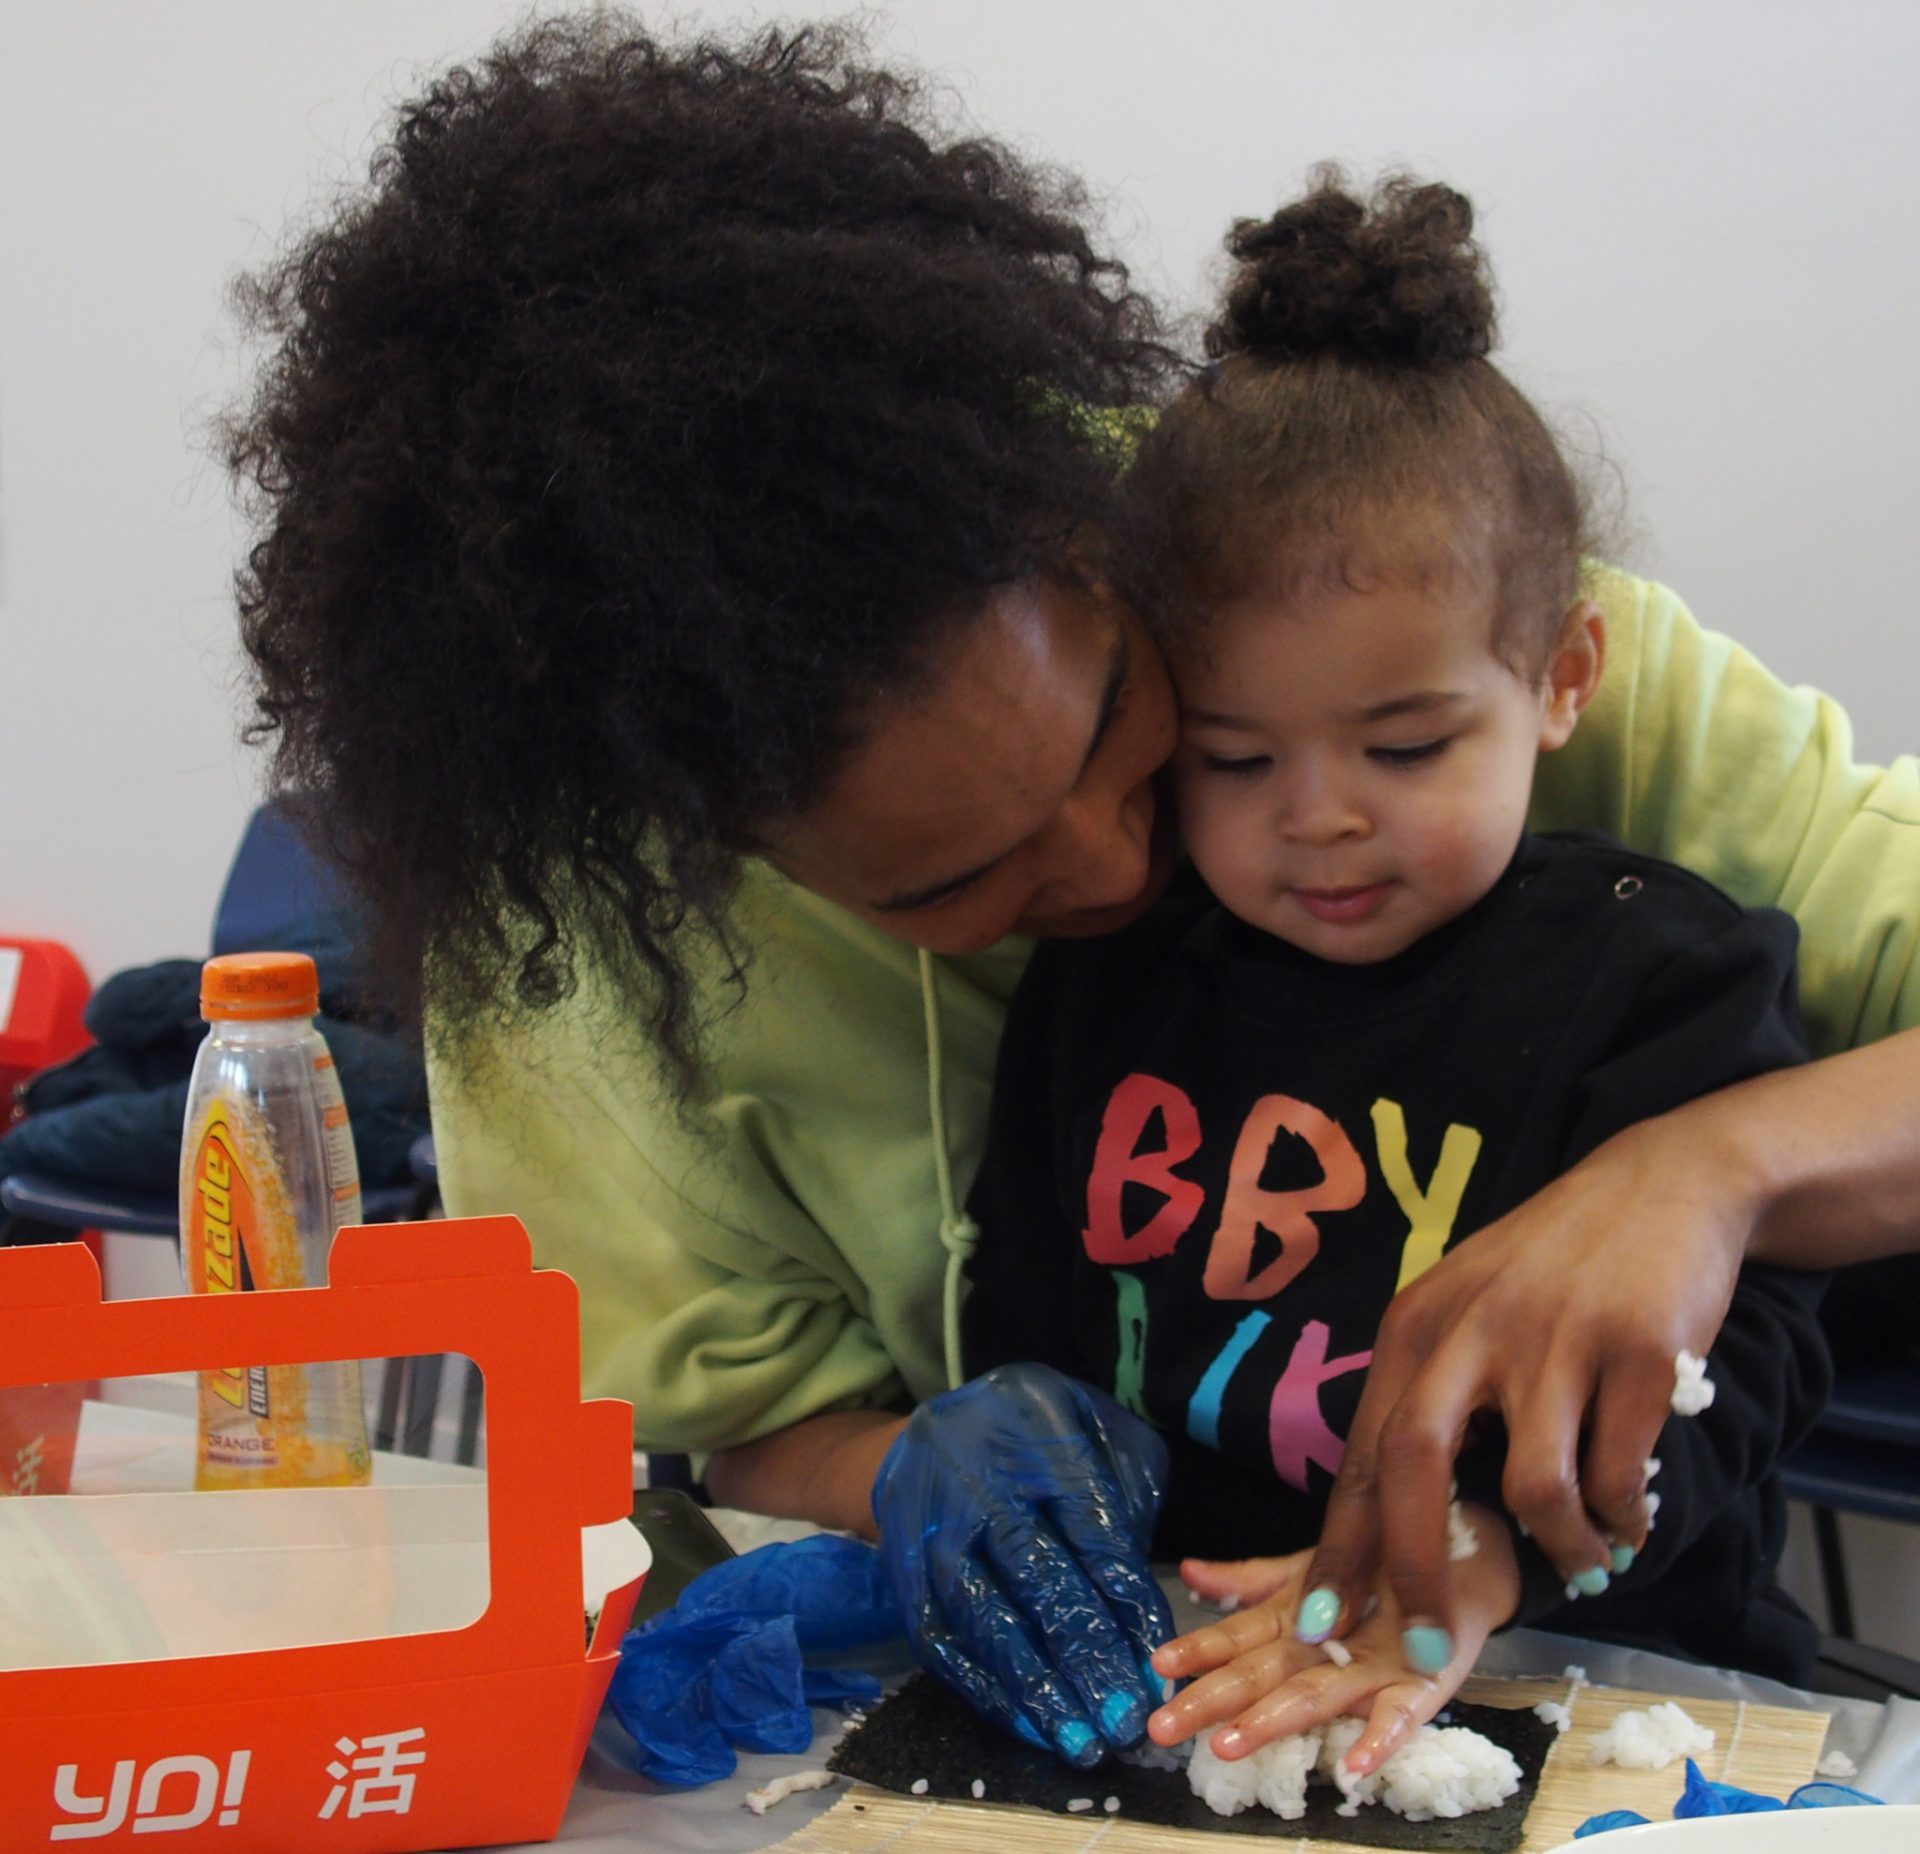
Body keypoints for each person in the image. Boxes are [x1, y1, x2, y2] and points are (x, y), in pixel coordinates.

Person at [223, 13, 1920, 1773]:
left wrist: (1711, 1170)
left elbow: (1727, 1379)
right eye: (959, 876)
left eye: (1125, 716)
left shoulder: (1346, 569)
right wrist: (907, 1464)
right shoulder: (593, 975)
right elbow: (730, 1423)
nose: (1126, 867)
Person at [960, 171, 1829, 1779]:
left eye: (1408, 745)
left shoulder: (1663, 979)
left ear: (1561, 676)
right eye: (1236, 758)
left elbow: (1748, 1359)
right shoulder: (1109, 980)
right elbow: (1027, 1314)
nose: (1322, 817)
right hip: (1205, 1683)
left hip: (1600, 1682)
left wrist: (1487, 1552)